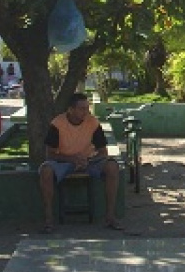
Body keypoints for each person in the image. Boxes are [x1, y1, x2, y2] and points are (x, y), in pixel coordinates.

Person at [38, 93, 123, 233]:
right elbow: (50, 154)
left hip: (88, 161)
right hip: (63, 161)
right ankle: (48, 220)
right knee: (45, 171)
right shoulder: (57, 124)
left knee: (112, 167)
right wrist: (71, 159)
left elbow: (103, 151)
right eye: (82, 109)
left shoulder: (93, 122)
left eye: (87, 108)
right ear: (71, 110)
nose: (86, 112)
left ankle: (110, 216)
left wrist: (87, 160)